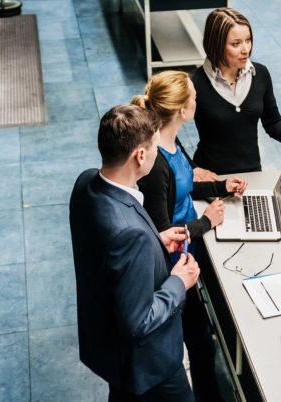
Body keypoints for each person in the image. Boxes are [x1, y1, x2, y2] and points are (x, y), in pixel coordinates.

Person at [69, 105, 200, 401]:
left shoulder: (86, 183)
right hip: (150, 366)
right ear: (140, 155)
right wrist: (180, 281)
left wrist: (156, 240)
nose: (157, 152)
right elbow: (138, 321)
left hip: (108, 345)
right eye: (154, 146)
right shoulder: (131, 235)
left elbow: (108, 251)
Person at [131, 70, 246, 402]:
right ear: (181, 109)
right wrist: (206, 222)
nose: (198, 100)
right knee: (197, 338)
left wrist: (220, 186)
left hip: (190, 245)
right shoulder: (154, 164)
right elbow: (162, 232)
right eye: (194, 97)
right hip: (173, 263)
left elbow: (185, 182)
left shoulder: (171, 137)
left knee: (201, 333)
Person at [191, 7, 281, 175]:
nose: (245, 49)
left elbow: (273, 123)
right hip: (212, 178)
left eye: (248, 40)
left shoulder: (260, 74)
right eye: (236, 43)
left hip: (252, 175)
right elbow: (166, 137)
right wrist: (193, 169)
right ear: (216, 45)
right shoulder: (194, 83)